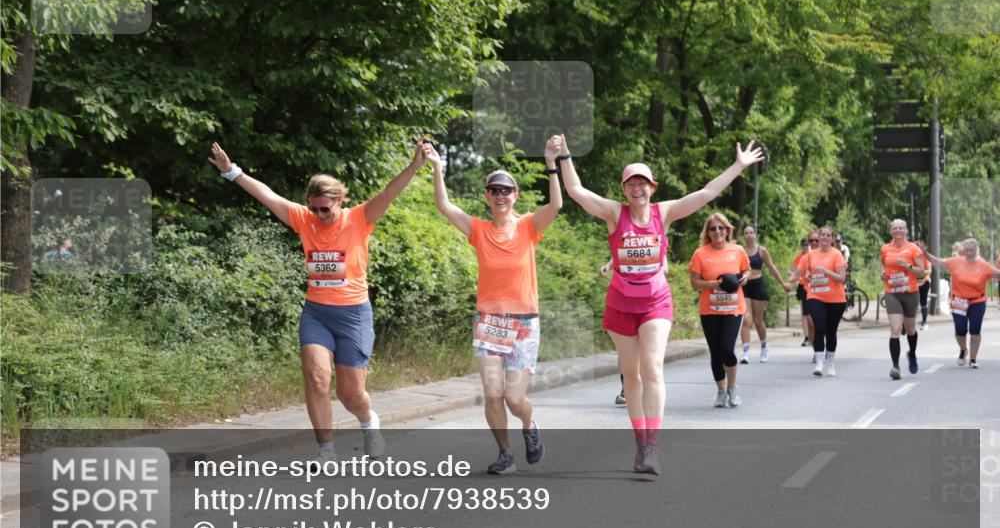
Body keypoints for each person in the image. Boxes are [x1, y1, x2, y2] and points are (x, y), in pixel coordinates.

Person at [207, 140, 427, 465]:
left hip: (354, 316)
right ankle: (326, 451)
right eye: (315, 208)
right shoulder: (304, 220)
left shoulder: (359, 219)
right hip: (317, 314)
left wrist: (414, 166)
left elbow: (388, 194)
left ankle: (369, 424)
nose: (320, 215)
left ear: (341, 201)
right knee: (316, 376)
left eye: (327, 208)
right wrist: (232, 172)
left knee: (350, 394)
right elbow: (268, 196)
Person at [558, 136, 763, 474]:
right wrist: (563, 156)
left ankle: (652, 445)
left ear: (652, 187)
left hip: (655, 301)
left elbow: (706, 194)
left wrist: (738, 166)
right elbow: (577, 191)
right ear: (624, 189)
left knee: (652, 368)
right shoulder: (614, 213)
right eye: (630, 183)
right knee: (632, 376)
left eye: (642, 182)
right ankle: (640, 442)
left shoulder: (662, 213)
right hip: (621, 304)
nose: (636, 188)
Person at [425, 136, 562, 474]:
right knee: (492, 394)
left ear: (515, 196)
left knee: (515, 399)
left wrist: (551, 163)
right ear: (487, 196)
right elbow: (444, 206)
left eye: (506, 191)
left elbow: (556, 205)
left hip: (525, 322)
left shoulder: (529, 226)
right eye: (494, 191)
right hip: (489, 322)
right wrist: (438, 167)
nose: (500, 196)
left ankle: (529, 428)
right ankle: (505, 453)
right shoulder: (478, 229)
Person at [689, 213, 750, 406]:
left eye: (721, 228)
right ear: (707, 232)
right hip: (710, 310)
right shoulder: (700, 253)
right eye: (713, 228)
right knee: (715, 352)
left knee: (726, 348)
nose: (717, 232)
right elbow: (695, 283)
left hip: (733, 308)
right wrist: (716, 284)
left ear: (727, 230)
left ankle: (733, 389)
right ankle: (721, 391)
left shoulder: (738, 250)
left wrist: (743, 278)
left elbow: (747, 270)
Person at [922, 238, 1000, 369]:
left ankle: (973, 359)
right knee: (960, 331)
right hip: (959, 301)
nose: (969, 253)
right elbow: (938, 262)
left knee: (975, 332)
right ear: (963, 251)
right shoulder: (956, 262)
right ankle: (963, 349)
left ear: (977, 250)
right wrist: (925, 253)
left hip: (977, 302)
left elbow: (998, 274)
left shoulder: (983, 265)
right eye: (967, 250)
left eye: (972, 250)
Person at [601, 257, 669, 406]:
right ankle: (626, 388)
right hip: (626, 299)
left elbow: (662, 259)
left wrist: (663, 268)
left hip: (650, 303)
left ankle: (647, 387)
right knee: (626, 353)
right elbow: (620, 256)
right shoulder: (628, 239)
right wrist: (608, 266)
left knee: (647, 354)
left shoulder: (654, 239)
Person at [791, 226, 848, 376]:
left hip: (836, 299)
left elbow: (842, 278)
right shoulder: (811, 255)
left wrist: (827, 272)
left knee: (831, 332)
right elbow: (800, 272)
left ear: (832, 239)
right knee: (819, 328)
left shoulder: (836, 255)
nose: (824, 238)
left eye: (827, 235)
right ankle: (819, 363)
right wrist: (791, 281)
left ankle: (830, 363)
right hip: (816, 296)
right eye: (822, 235)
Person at [879, 219, 928, 380]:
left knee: (911, 329)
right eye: (895, 228)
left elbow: (922, 272)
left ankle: (912, 354)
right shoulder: (885, 249)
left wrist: (907, 266)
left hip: (910, 292)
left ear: (906, 231)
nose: (898, 231)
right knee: (895, 329)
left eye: (901, 228)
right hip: (892, 292)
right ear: (890, 231)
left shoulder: (913, 249)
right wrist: (883, 274)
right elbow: (883, 266)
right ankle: (895, 367)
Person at [738, 225, 786, 364]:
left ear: (755, 235)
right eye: (746, 233)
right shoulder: (740, 251)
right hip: (745, 286)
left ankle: (764, 347)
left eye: (751, 232)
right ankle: (746, 352)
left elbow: (772, 268)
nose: (749, 235)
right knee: (746, 319)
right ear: (743, 236)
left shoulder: (762, 250)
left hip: (758, 285)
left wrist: (783, 284)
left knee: (758, 321)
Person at [788, 235, 818, 354]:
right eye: (804, 244)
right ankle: (807, 337)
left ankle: (817, 337)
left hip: (815, 287)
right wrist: (791, 279)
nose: (806, 246)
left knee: (815, 314)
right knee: (805, 314)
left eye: (807, 244)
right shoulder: (800, 258)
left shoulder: (815, 256)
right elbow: (792, 270)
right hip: (803, 287)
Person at [914, 240, 932, 330]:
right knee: (911, 302)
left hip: (924, 281)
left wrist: (920, 272)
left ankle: (924, 322)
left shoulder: (925, 257)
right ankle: (909, 323)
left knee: (923, 301)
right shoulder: (911, 257)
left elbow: (929, 270)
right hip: (913, 282)